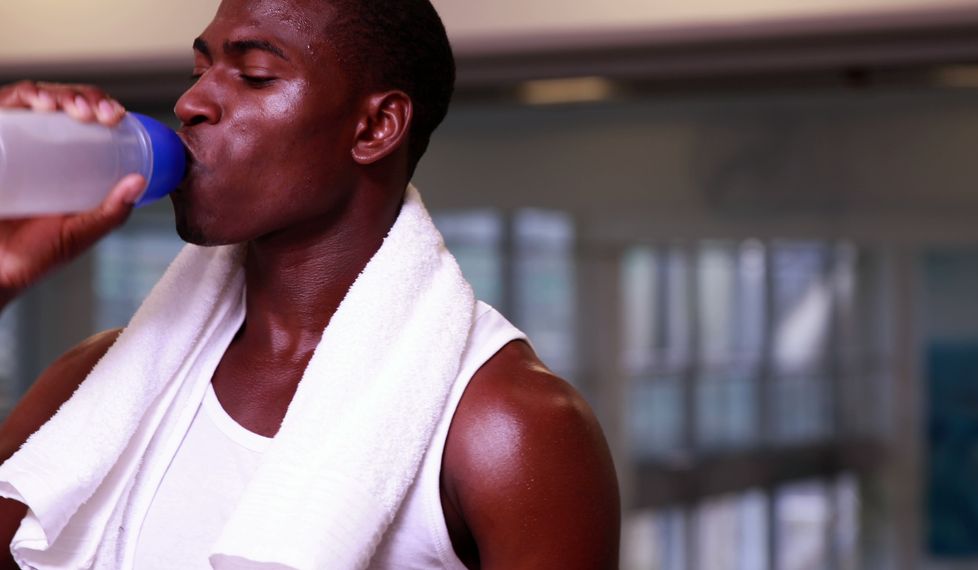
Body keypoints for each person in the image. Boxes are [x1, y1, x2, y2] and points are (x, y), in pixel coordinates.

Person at [0, 0, 620, 568]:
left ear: (375, 128)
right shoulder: (93, 384)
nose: (192, 103)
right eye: (200, 70)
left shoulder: (509, 426)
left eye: (255, 76)